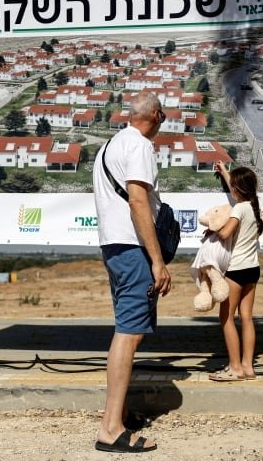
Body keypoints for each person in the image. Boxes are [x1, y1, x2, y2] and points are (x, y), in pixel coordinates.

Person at [92, 92, 172, 453]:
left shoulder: (112, 144)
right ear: (155, 115)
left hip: (114, 246)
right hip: (133, 247)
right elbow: (138, 201)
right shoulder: (139, 145)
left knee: (125, 329)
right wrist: (157, 260)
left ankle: (119, 414)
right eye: (164, 115)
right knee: (129, 334)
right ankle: (110, 429)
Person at [208, 161, 263, 381]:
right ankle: (248, 367)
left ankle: (234, 368)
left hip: (236, 270)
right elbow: (235, 186)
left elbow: (225, 234)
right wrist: (223, 170)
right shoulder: (252, 207)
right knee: (247, 318)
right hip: (253, 269)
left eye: (233, 187)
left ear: (237, 189)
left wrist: (212, 229)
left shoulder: (239, 208)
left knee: (227, 318)